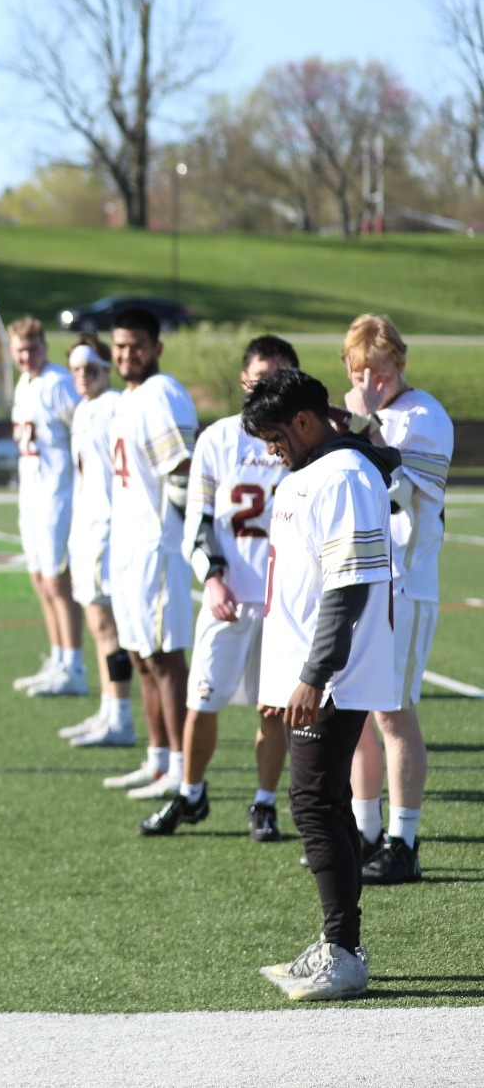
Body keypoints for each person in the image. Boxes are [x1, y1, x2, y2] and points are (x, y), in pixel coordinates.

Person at [244, 367, 399, 1001]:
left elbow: (346, 586)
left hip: (335, 675)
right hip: (314, 671)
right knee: (323, 803)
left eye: (277, 435)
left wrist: (314, 673)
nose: (272, 449)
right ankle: (339, 945)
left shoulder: (342, 476)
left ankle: (343, 951)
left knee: (313, 804)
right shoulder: (317, 471)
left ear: (307, 421)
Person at [140, 336, 297, 837]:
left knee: (272, 708)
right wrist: (212, 578)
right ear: (244, 382)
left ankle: (264, 802)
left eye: (278, 379)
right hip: (229, 593)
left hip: (283, 602)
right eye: (259, 380)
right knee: (201, 700)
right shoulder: (220, 439)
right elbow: (200, 519)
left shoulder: (308, 440)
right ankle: (190, 793)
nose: (267, 388)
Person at [339, 315, 451, 885]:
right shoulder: (368, 413)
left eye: (378, 373)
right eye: (360, 372)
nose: (371, 383)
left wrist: (365, 422)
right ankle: (364, 830)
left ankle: (404, 840)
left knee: (394, 711)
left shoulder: (425, 416)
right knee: (358, 706)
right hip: (365, 578)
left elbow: (399, 481)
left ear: (399, 365)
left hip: (406, 581)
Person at [98, 307, 198, 803]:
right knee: (140, 656)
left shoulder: (162, 393)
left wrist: (190, 541)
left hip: (158, 545)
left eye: (136, 345)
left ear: (156, 347)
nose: (126, 354)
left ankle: (182, 767)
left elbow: (183, 474)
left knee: (165, 659)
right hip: (129, 544)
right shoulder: (126, 398)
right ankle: (158, 759)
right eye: (119, 346)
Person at [57, 337, 135, 748]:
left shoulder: (111, 407)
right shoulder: (85, 409)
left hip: (106, 526)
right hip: (87, 526)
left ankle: (121, 715)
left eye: (91, 369)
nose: (83, 377)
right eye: (76, 371)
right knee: (97, 622)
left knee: (108, 626)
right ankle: (109, 710)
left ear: (107, 369)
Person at [7, 318, 83, 698]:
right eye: (19, 349)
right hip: (32, 493)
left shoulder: (57, 383)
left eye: (32, 348)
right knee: (39, 579)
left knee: (57, 580)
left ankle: (74, 664)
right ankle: (57, 658)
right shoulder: (24, 383)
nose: (26, 356)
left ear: (44, 346)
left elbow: (82, 428)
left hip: (58, 493)